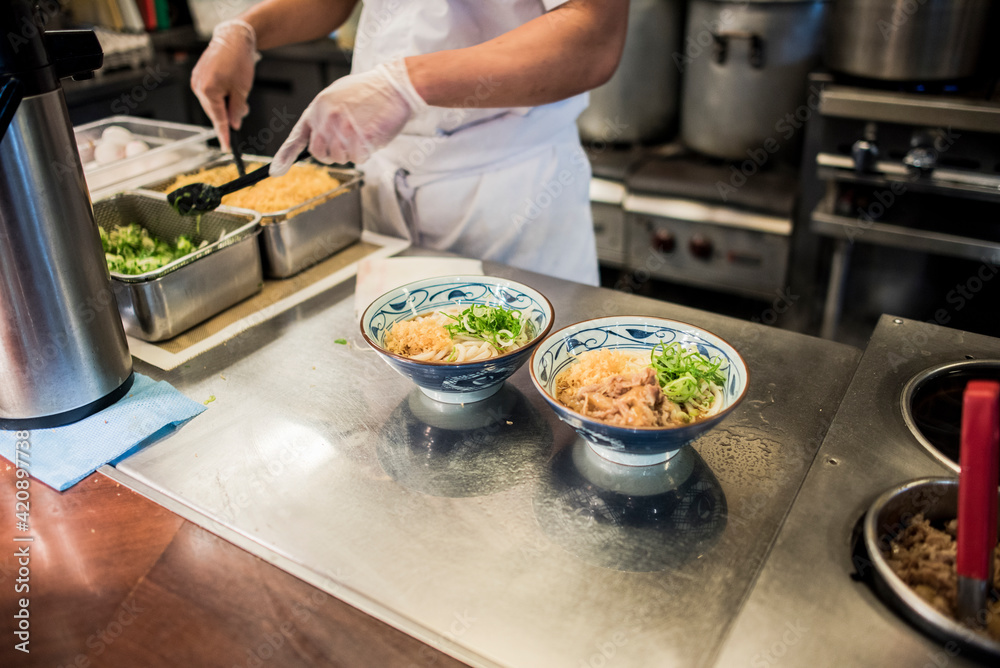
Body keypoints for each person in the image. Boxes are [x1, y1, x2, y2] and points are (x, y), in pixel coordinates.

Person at [191, 0, 628, 285]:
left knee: (528, 401)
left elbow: (594, 38)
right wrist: (247, 30)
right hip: (383, 187)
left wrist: (406, 83)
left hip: (508, 198)